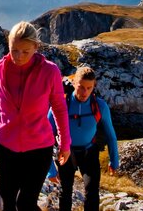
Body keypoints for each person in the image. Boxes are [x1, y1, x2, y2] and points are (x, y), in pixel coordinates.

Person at [0, 21, 72, 211]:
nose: (18, 56)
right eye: (14, 50)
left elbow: (59, 108)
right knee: (7, 201)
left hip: (39, 149)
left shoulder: (50, 71)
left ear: (36, 47)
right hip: (6, 147)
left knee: (25, 203)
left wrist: (65, 144)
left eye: (25, 51)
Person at [47, 66, 119, 211]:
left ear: (94, 86)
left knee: (92, 192)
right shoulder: (60, 104)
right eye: (81, 87)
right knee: (65, 192)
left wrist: (114, 160)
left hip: (89, 153)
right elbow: (45, 137)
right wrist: (50, 170)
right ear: (74, 83)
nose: (85, 92)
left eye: (89, 88)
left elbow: (111, 135)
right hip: (65, 153)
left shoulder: (99, 106)